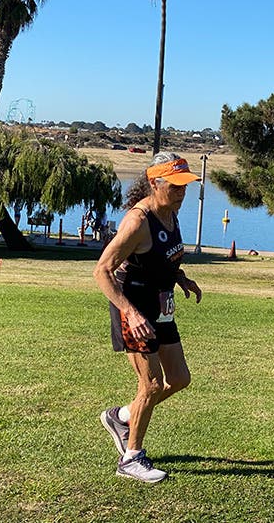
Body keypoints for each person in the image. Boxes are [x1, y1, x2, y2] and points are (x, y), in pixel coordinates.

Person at [93, 152, 202, 483]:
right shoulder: (137, 222)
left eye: (186, 185)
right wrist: (129, 311)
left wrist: (180, 277)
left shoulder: (171, 212)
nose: (183, 192)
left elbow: (159, 259)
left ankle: (123, 416)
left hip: (162, 306)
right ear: (156, 184)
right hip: (135, 308)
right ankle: (131, 458)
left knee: (179, 378)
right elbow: (102, 271)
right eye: (176, 185)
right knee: (152, 384)